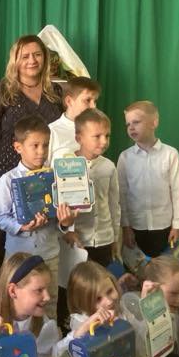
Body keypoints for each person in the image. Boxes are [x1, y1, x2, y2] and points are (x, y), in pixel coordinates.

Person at [0, 35, 64, 270]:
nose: (31, 60)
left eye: (37, 54)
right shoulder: (2, 92)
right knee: (1, 237)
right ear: (15, 60)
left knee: (43, 229)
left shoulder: (55, 92)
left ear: (45, 58)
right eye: (25, 56)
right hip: (9, 175)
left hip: (44, 174)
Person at [0, 115, 75, 310]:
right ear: (18, 147)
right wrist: (21, 226)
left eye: (45, 145)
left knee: (48, 303)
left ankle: (49, 331)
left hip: (49, 255)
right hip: (18, 256)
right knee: (14, 305)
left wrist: (65, 222)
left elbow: (61, 218)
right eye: (35, 145)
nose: (41, 151)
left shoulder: (55, 178)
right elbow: (0, 218)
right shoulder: (8, 180)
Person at [117, 101, 179, 258]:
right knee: (136, 268)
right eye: (128, 124)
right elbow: (122, 194)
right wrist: (126, 227)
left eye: (136, 122)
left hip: (163, 226)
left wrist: (177, 225)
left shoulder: (170, 154)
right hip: (136, 226)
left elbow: (178, 191)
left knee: (162, 267)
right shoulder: (125, 157)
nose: (131, 128)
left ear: (154, 123)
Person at [67, 108, 121, 268]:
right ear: (79, 138)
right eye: (97, 136)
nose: (103, 141)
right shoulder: (66, 165)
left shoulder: (109, 166)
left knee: (102, 278)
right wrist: (69, 231)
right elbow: (62, 206)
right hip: (77, 241)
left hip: (104, 239)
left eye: (107, 136)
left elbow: (114, 204)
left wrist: (115, 237)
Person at [47, 75, 101, 163]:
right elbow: (44, 168)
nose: (93, 106)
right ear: (69, 101)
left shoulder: (97, 130)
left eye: (95, 101)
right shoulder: (52, 132)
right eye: (87, 100)